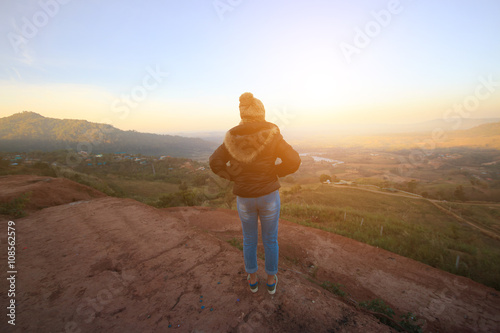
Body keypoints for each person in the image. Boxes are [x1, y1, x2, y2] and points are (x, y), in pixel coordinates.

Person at [209, 92, 301, 295]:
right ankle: (270, 280)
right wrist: (275, 172)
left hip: (244, 198)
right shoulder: (272, 132)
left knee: (249, 239)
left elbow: (214, 162)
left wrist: (234, 178)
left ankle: (252, 279)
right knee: (270, 239)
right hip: (269, 195)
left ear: (242, 113)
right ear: (262, 112)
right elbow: (294, 160)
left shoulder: (232, 135)